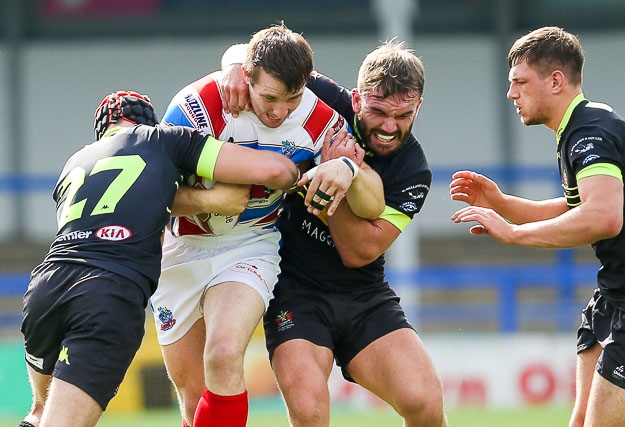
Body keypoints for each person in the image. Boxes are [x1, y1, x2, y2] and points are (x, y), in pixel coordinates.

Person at [18, 90, 300, 427]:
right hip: (108, 292)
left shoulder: (75, 162)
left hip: (46, 287)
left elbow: (136, 197)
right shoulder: (164, 140)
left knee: (40, 412)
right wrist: (294, 174)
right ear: (148, 123)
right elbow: (271, 171)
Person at [150, 23, 385, 427]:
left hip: (250, 245)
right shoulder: (198, 106)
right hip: (181, 249)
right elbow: (155, 194)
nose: (280, 112)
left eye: (292, 99)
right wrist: (211, 200)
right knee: (192, 400)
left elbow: (374, 203)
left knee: (222, 356)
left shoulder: (318, 119)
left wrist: (348, 167)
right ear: (247, 77)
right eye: (270, 98)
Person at [221, 40, 448, 427]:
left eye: (403, 115)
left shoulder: (414, 171)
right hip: (294, 290)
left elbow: (360, 252)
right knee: (309, 411)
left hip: (364, 296)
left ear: (418, 107)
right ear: (356, 99)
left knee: (425, 405)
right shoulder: (322, 99)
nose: (389, 127)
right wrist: (233, 68)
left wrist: (341, 171)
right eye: (378, 111)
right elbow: (257, 51)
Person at [450, 26, 625, 427]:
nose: (511, 93)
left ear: (555, 81)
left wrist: (514, 234)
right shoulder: (586, 125)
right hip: (619, 291)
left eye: (520, 82)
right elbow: (580, 205)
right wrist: (505, 205)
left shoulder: (589, 134)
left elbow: (604, 216)